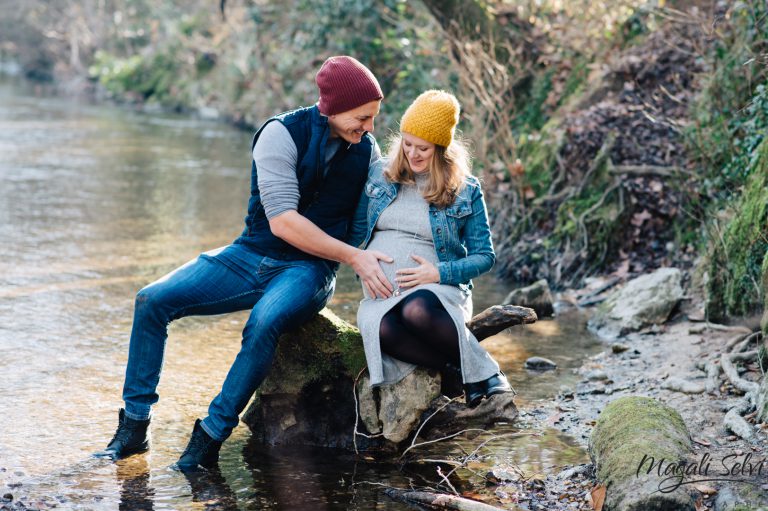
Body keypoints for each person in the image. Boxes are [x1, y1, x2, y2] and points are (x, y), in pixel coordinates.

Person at [95, 56, 396, 470]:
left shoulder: (367, 151)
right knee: (151, 300)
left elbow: (365, 224)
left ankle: (208, 439)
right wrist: (354, 256)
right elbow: (283, 221)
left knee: (264, 321)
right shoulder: (279, 134)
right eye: (363, 117)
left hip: (308, 270)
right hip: (249, 254)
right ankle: (133, 430)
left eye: (374, 118)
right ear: (331, 106)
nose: (369, 128)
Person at [356, 90, 512, 407]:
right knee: (382, 331)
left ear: (441, 148)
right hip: (383, 294)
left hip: (438, 292)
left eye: (423, 148)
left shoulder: (465, 189)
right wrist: (359, 258)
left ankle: (490, 375)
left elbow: (485, 257)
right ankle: (459, 370)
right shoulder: (380, 174)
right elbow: (353, 229)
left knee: (417, 310)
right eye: (407, 143)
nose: (412, 154)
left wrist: (437, 272)